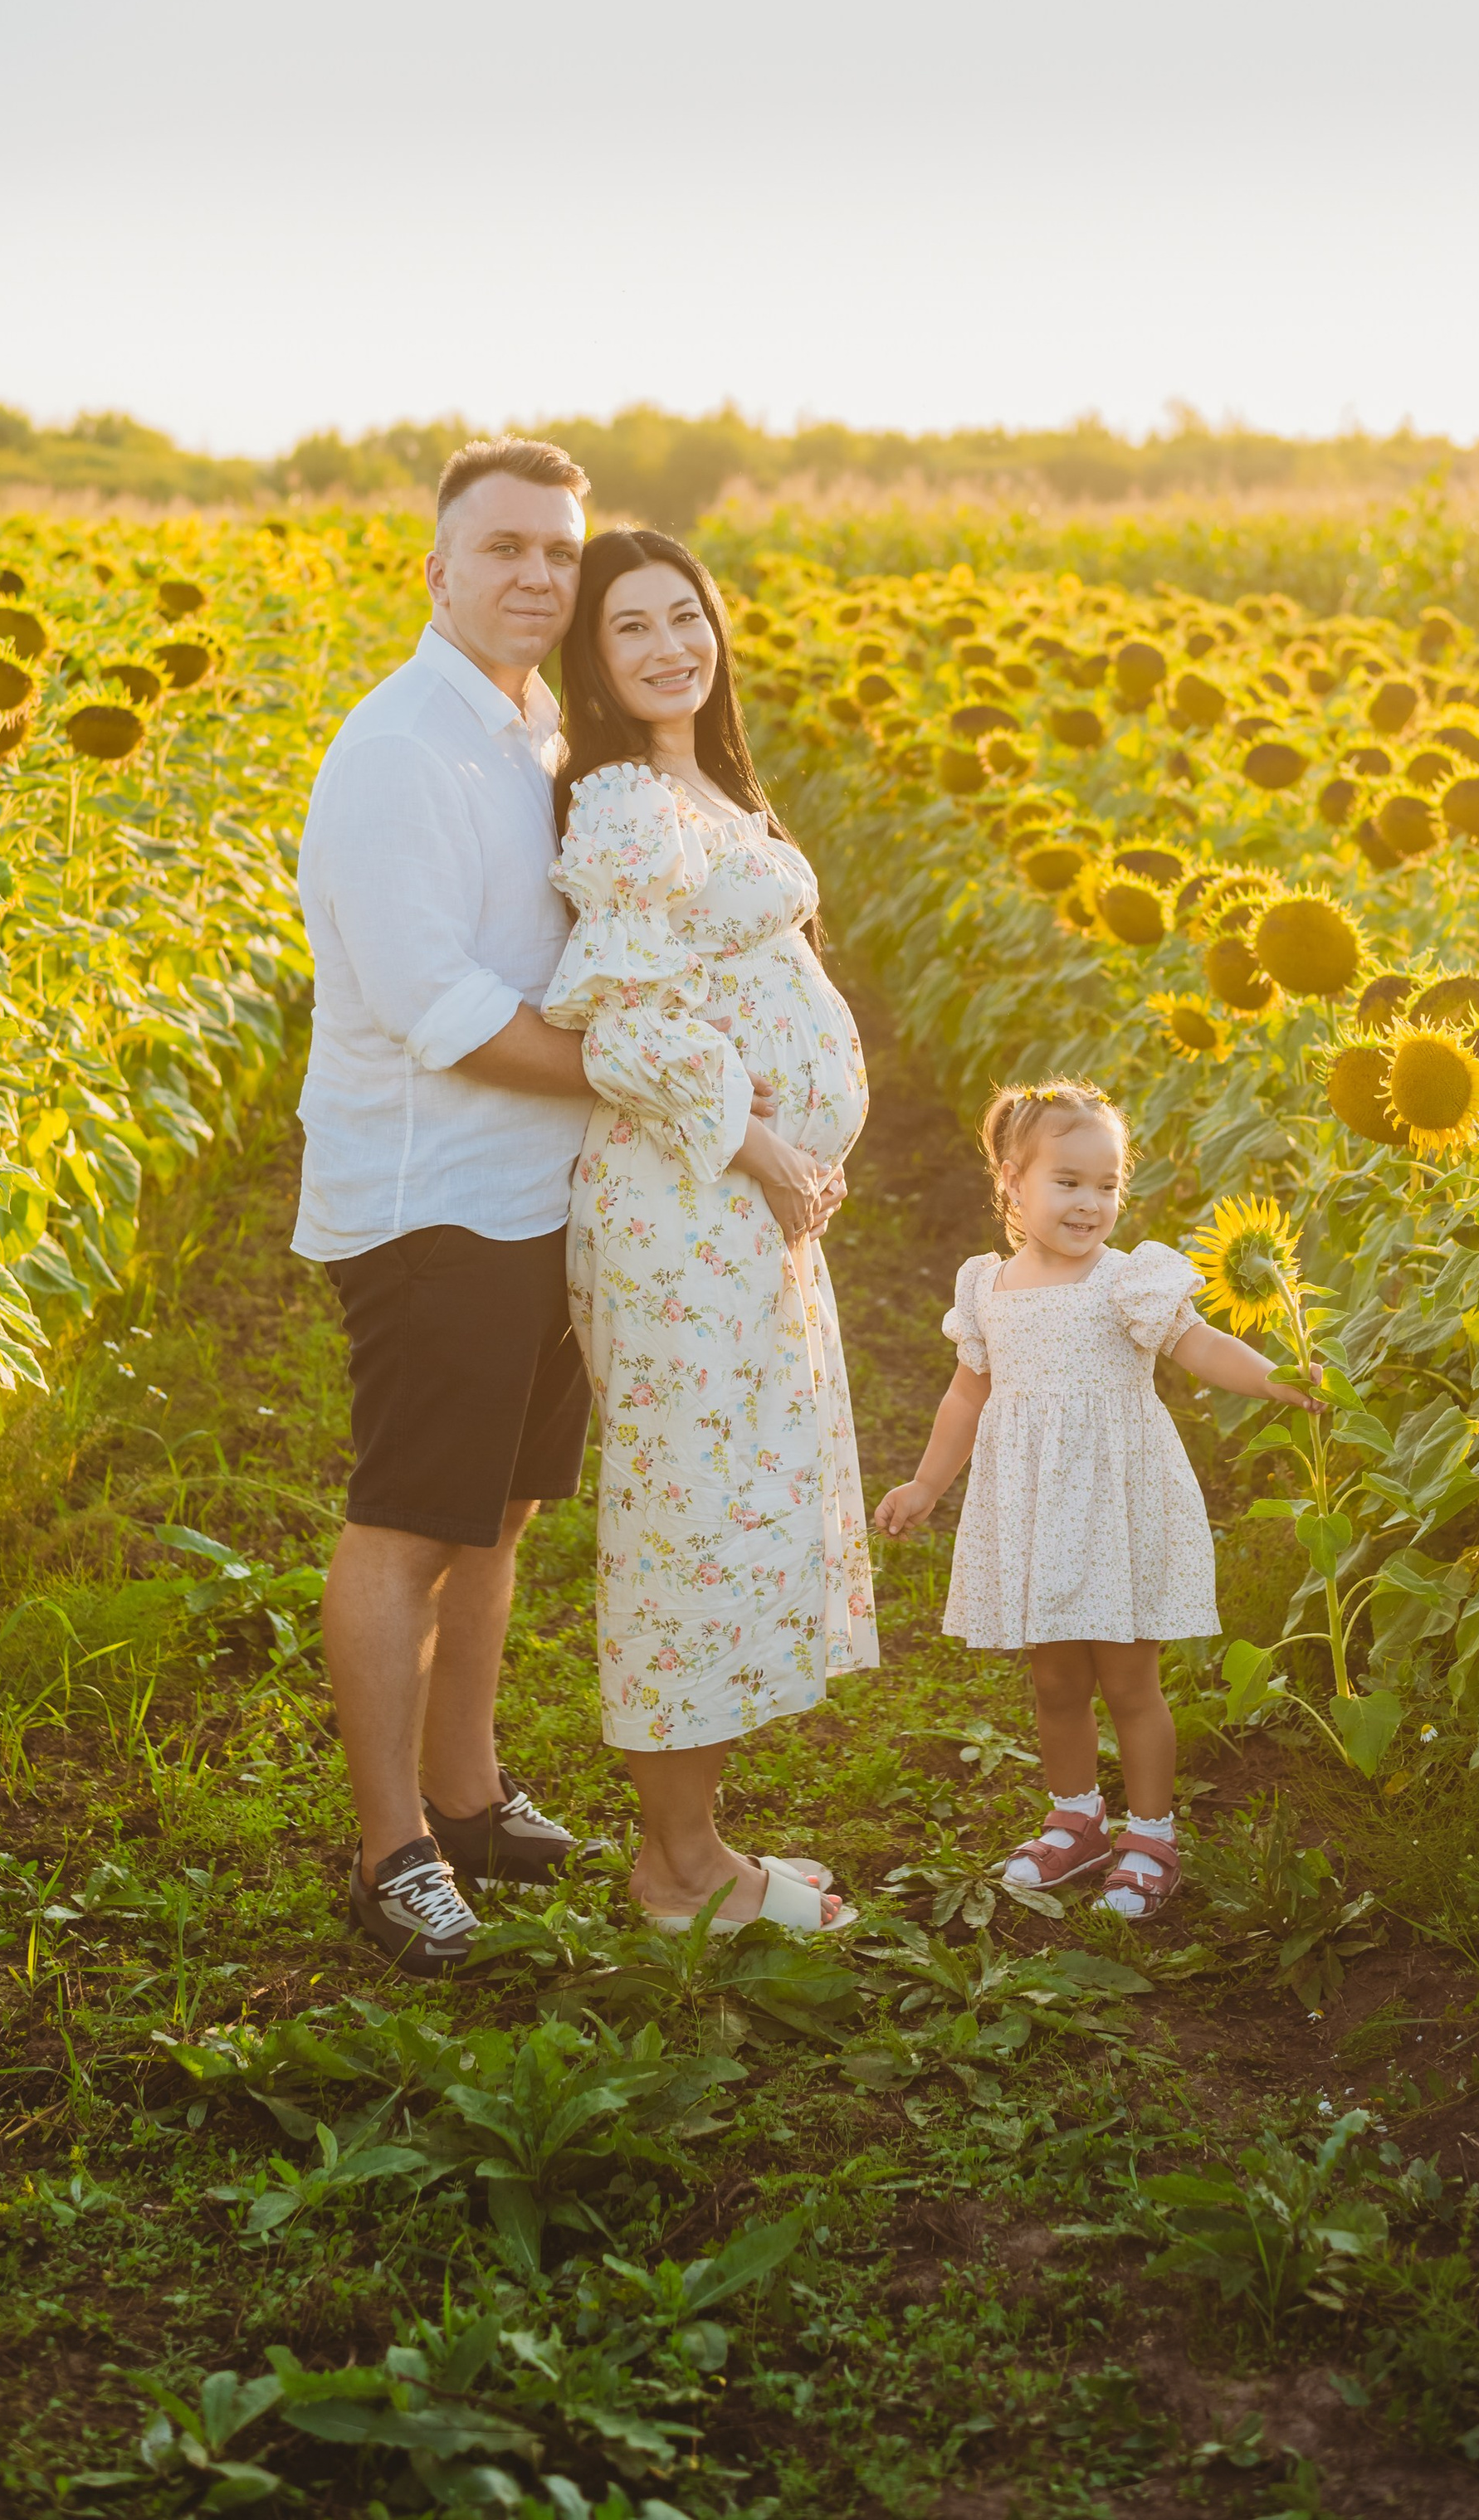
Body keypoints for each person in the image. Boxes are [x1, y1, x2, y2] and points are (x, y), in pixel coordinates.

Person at [293, 434, 611, 1975]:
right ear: (436, 569)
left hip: (536, 1191)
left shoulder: (531, 723)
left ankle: (469, 1796)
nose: (537, 574)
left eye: (558, 550)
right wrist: (638, 1074)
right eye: (505, 548)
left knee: (500, 1510)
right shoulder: (396, 748)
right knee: (409, 1520)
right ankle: (391, 1852)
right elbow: (440, 1004)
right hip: (433, 1202)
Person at [542, 528, 875, 1933]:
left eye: (688, 616)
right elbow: (625, 1018)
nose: (673, 646)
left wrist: (792, 1154)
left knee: (740, 1508)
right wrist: (754, 1142)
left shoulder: (704, 785)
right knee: (688, 1518)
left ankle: (704, 1847)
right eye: (634, 628)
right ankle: (679, 1870)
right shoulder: (620, 801)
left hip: (740, 1209)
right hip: (684, 1206)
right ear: (593, 661)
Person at [872, 1079, 1316, 1920]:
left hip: (1116, 1510)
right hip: (1038, 1513)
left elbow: (1200, 1347)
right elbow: (966, 1397)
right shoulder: (989, 1290)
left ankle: (1151, 1835)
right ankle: (1076, 1817)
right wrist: (928, 1483)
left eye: (1106, 1185)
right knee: (1052, 1680)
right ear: (1011, 1181)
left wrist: (1279, 1380)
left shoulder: (1125, 1282)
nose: (1090, 1203)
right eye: (1067, 1182)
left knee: (1130, 1681)